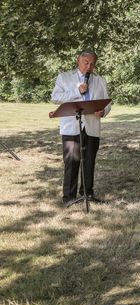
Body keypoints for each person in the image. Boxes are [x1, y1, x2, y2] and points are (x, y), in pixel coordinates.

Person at [51, 50, 111, 206]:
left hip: (92, 126)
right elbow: (55, 97)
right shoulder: (64, 77)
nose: (89, 66)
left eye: (92, 64)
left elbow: (107, 102)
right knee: (71, 162)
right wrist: (76, 91)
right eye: (86, 62)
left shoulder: (100, 80)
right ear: (78, 60)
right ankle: (69, 198)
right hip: (71, 127)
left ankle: (87, 193)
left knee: (89, 161)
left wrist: (104, 111)